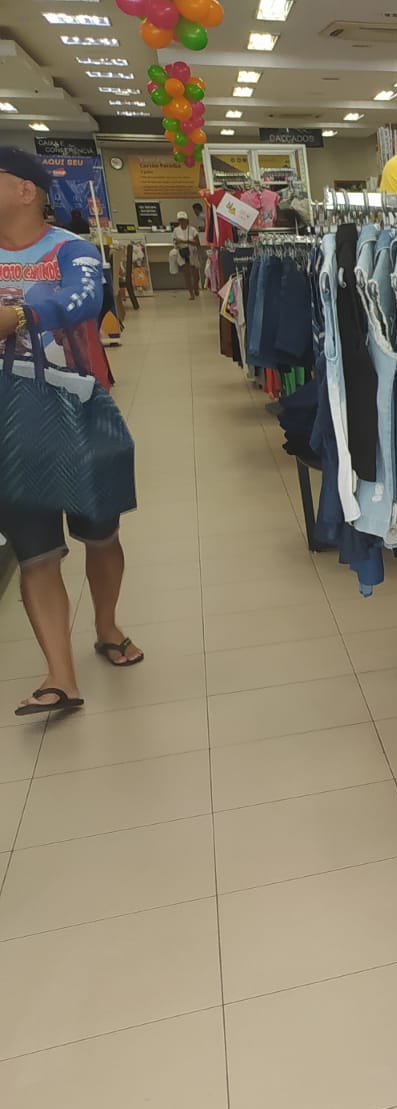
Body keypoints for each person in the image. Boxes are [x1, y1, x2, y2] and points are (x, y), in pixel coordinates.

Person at [0, 147, 141, 718]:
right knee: (35, 550)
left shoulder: (71, 249)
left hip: (79, 412)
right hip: (9, 428)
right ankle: (61, 677)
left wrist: (22, 315)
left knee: (101, 535)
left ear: (25, 190)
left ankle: (107, 627)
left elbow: (84, 297)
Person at [171, 210, 202, 299]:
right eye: (180, 220)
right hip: (182, 253)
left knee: (195, 274)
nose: (182, 222)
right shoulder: (176, 230)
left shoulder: (192, 230)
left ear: (187, 220)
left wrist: (185, 241)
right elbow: (174, 242)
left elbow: (198, 243)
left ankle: (196, 287)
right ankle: (191, 293)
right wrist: (178, 243)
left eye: (183, 220)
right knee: (186, 274)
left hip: (192, 253)